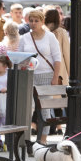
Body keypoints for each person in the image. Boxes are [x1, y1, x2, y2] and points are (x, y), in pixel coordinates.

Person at [19, 8, 62, 143]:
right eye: (31, 21)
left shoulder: (50, 36)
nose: (33, 23)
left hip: (46, 75)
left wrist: (55, 77)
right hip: (29, 75)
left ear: (42, 21)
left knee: (45, 108)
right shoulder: (25, 38)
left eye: (36, 21)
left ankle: (43, 139)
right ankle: (26, 138)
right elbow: (20, 58)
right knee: (29, 107)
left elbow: (57, 58)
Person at [44, 8, 70, 86]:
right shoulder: (61, 32)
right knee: (58, 95)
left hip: (44, 68)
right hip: (60, 68)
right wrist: (69, 71)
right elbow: (66, 53)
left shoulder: (41, 31)